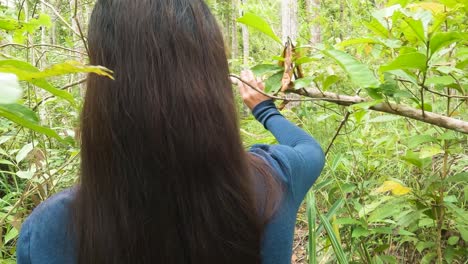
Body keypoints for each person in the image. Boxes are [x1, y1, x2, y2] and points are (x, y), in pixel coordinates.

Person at [16, 0, 325, 263]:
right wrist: (264, 108)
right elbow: (308, 148)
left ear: (100, 88)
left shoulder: (50, 230)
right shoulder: (272, 182)